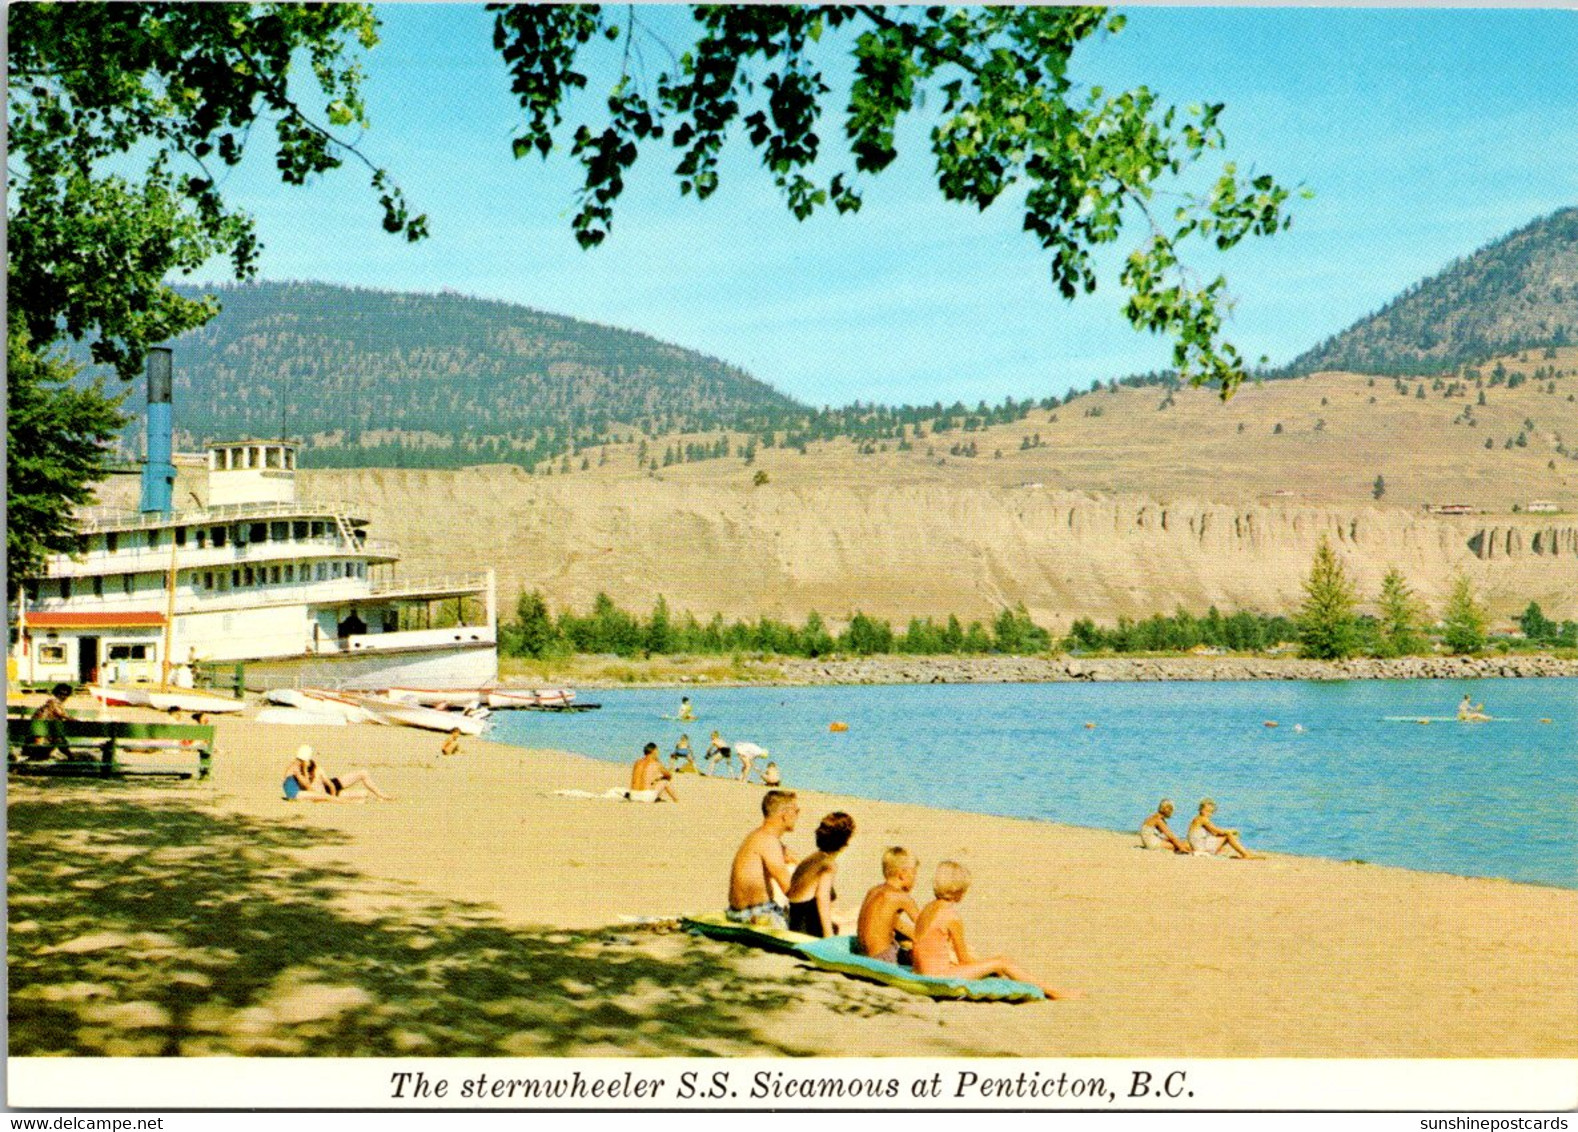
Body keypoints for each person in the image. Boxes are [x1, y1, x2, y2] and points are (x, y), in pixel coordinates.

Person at [911, 861, 1078, 999]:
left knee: (976, 954)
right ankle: (1054, 992)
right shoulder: (951, 916)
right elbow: (964, 960)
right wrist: (991, 967)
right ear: (959, 891)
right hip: (936, 977)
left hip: (920, 970)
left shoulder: (928, 908)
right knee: (1002, 961)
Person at [726, 789, 800, 928]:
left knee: (793, 866)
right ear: (785, 814)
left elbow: (793, 859)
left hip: (737, 912)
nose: (798, 816)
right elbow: (792, 891)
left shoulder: (758, 836)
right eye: (797, 811)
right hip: (758, 915)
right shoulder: (769, 842)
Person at [785, 812, 855, 937]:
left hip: (795, 923)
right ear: (845, 841)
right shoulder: (828, 865)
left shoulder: (811, 858)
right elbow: (822, 899)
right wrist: (829, 936)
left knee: (858, 911)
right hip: (808, 930)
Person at [856, 847, 921, 964]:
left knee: (906, 941)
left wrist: (911, 937)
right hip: (882, 957)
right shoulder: (902, 897)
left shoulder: (873, 891)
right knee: (920, 951)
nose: (915, 879)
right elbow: (925, 926)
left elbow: (894, 924)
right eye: (914, 873)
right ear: (902, 874)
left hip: (862, 953)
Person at [284, 744, 393, 802]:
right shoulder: (296, 769)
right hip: (322, 791)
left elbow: (326, 783)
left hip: (327, 787)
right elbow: (308, 788)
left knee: (363, 773)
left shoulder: (308, 766)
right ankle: (378, 797)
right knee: (363, 794)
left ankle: (381, 795)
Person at [1187, 798, 1262, 859]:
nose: (1208, 814)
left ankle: (1244, 853)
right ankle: (1246, 854)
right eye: (1206, 811)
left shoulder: (1199, 819)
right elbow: (1218, 831)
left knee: (1228, 836)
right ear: (1200, 809)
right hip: (1200, 848)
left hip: (1199, 846)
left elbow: (1215, 833)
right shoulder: (1201, 819)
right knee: (1228, 835)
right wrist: (1232, 831)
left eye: (1210, 812)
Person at [24, 682, 74, 760]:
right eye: (61, 694)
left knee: (58, 738)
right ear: (56, 694)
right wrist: (73, 720)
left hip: (43, 730)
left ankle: (70, 757)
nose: (63, 696)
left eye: (66, 694)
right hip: (42, 731)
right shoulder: (53, 702)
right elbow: (61, 714)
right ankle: (71, 758)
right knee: (59, 739)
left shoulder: (50, 704)